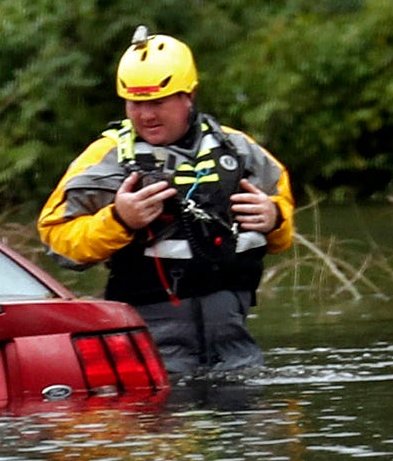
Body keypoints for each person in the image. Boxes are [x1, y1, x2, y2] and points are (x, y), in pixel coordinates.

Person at [38, 27, 295, 378]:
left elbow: (282, 228)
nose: (145, 115)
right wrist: (119, 220)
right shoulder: (106, 159)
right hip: (154, 355)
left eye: (157, 102)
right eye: (135, 103)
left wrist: (275, 217)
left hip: (235, 354)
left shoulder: (237, 150)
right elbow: (56, 239)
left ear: (188, 96)